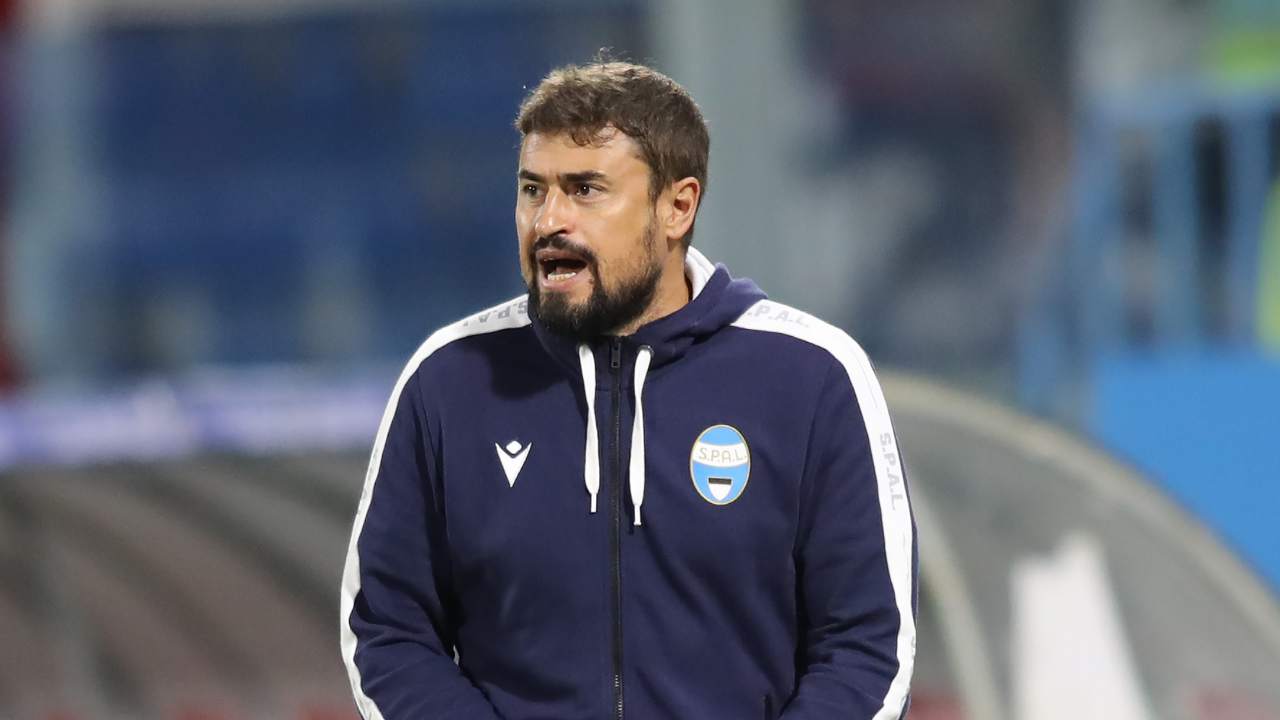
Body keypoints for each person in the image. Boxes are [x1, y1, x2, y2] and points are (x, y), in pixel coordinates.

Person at [340, 59, 917, 719]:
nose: (548, 221)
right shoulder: (449, 380)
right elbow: (386, 630)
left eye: (585, 189)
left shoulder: (813, 377)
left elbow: (868, 645)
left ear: (677, 207)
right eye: (532, 190)